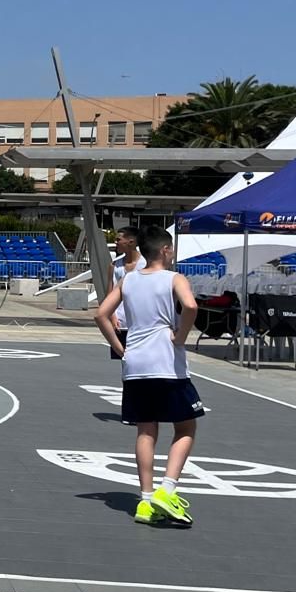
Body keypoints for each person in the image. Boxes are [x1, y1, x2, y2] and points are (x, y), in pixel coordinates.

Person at [95, 225, 202, 526]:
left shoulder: (128, 279)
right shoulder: (174, 278)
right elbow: (191, 306)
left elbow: (100, 314)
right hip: (166, 363)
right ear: (165, 250)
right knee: (186, 427)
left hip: (135, 365)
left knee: (145, 430)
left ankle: (145, 500)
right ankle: (167, 489)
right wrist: (181, 336)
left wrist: (120, 348)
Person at [103, 226, 145, 360]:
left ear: (131, 242)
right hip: (121, 322)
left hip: (141, 323)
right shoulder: (114, 265)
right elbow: (109, 294)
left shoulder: (146, 264)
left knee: (141, 359)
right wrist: (112, 316)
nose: (116, 242)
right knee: (124, 360)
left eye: (118, 240)